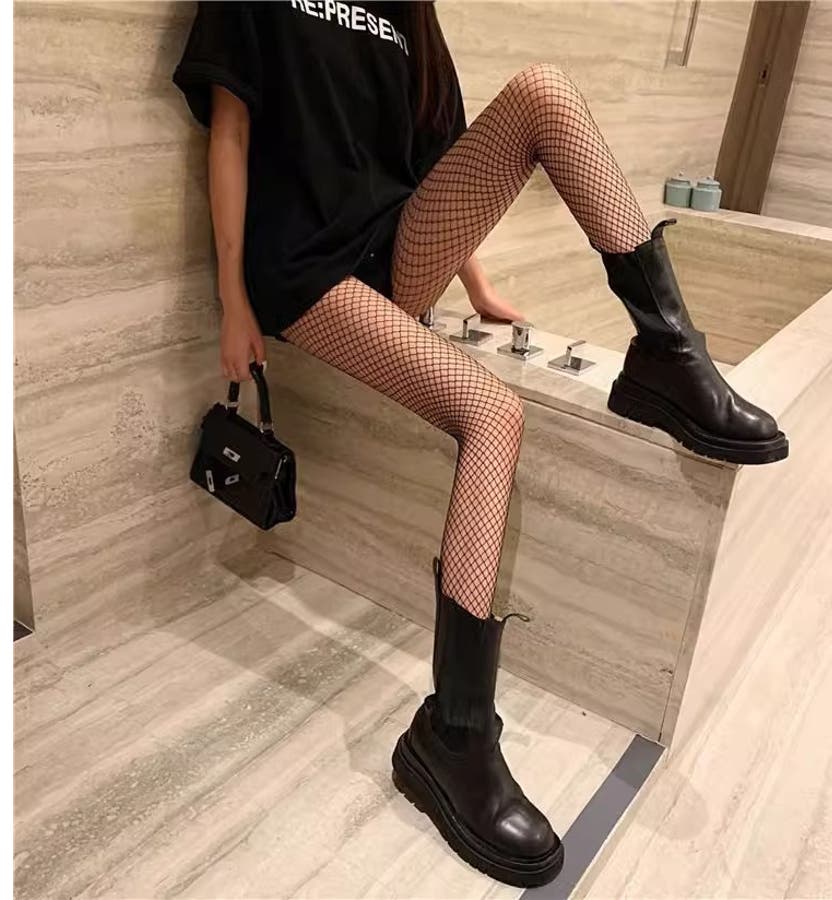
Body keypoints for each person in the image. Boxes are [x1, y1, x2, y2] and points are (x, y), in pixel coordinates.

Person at [173, 0, 787, 887]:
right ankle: (454, 734)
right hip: (302, 268)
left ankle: (667, 348)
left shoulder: (406, 7)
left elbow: (440, 170)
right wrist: (233, 299)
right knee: (492, 414)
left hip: (390, 253)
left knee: (544, 92)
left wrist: (476, 280)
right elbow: (229, 133)